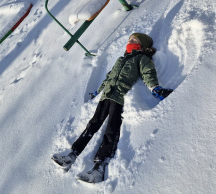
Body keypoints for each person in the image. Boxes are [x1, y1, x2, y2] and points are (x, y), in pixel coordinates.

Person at [52, 33, 173, 183]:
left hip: (119, 98)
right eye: (129, 40)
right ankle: (72, 154)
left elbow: (148, 72)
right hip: (106, 97)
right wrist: (98, 92)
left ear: (141, 45)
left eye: (134, 40)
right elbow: (109, 77)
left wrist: (155, 87)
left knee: (111, 130)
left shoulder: (141, 58)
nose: (130, 41)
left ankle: (99, 167)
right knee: (92, 125)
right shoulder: (121, 59)